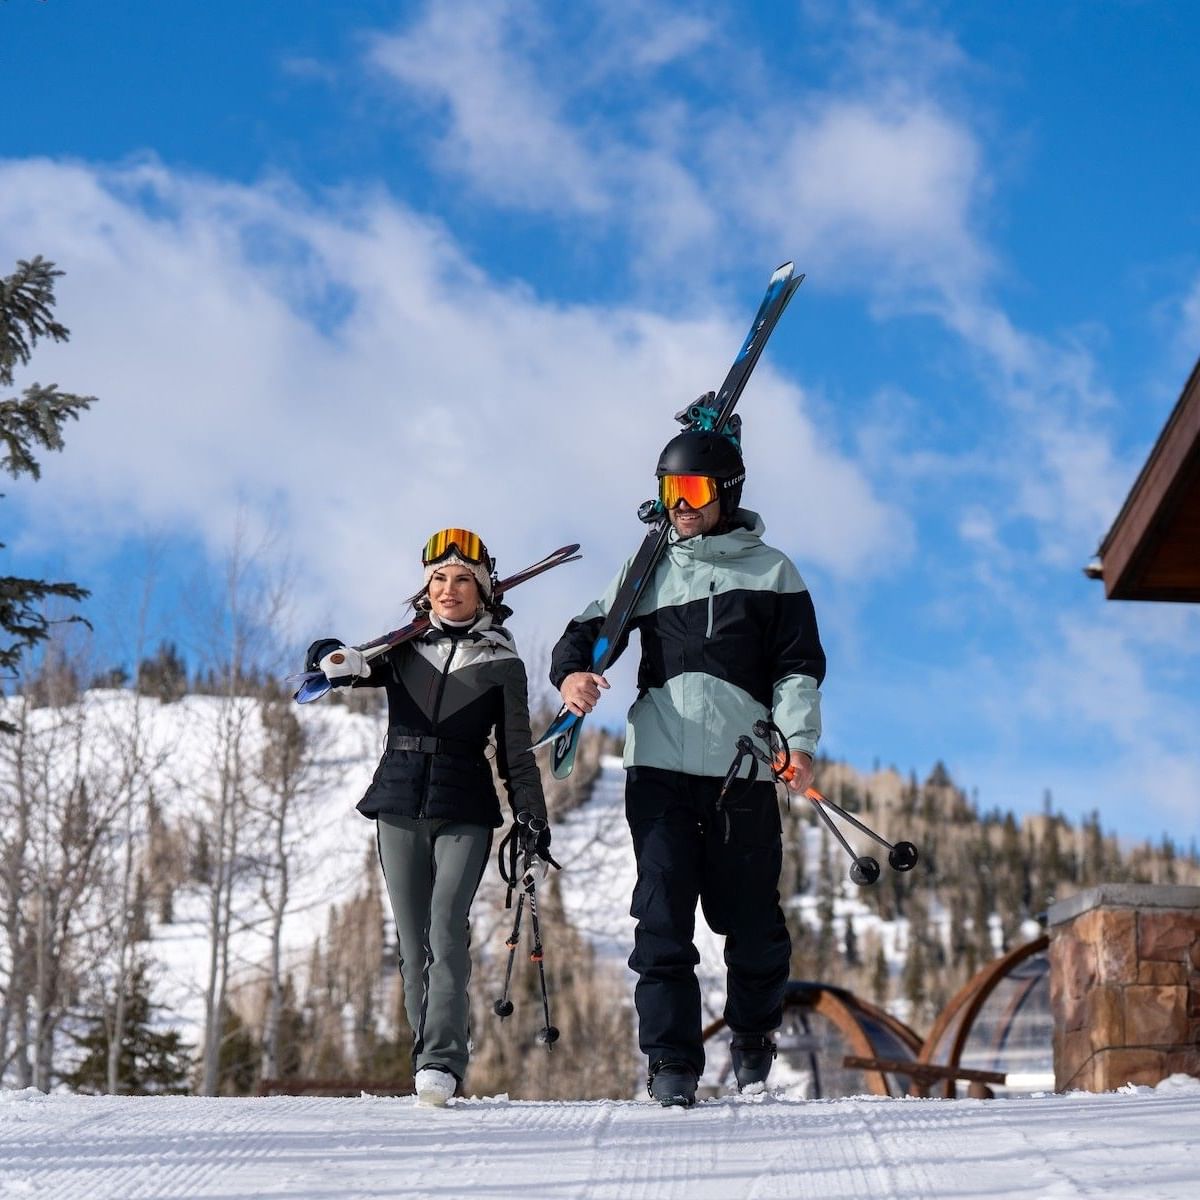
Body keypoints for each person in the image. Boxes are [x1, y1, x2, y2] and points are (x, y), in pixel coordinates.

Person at [550, 428, 824, 1107]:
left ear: (726, 493)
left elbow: (797, 669)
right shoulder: (650, 568)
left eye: (693, 490)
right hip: (661, 770)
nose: (680, 504)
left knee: (753, 926)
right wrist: (573, 677)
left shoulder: (773, 572)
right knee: (662, 917)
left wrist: (797, 741)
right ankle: (672, 1060)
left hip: (746, 773)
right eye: (669, 491)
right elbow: (588, 630)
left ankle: (755, 1037)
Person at [307, 527, 549, 1107]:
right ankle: (426, 1056)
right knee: (414, 942)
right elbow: (335, 667)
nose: (449, 589)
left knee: (447, 929)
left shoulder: (502, 663)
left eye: (463, 579)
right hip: (397, 803)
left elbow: (516, 752)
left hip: (465, 807)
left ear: (483, 590)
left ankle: (443, 1057)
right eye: (439, 579)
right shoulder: (402, 648)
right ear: (426, 588)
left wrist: (531, 818)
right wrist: (326, 654)